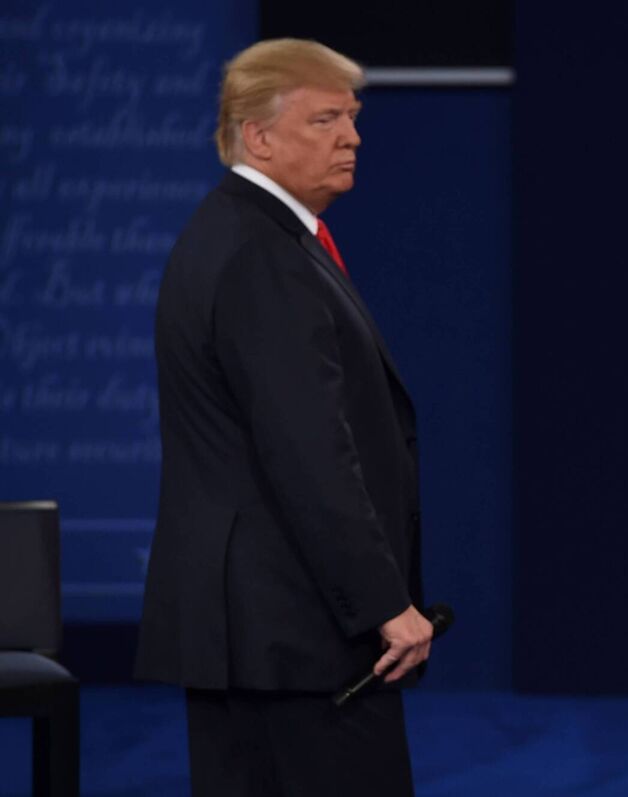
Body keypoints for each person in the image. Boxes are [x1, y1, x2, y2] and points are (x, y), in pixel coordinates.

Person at [136, 39, 431, 797]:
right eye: (325, 119)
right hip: (296, 637)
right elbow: (310, 453)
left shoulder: (243, 234)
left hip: (262, 635)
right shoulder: (259, 255)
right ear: (258, 137)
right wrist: (383, 604)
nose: (351, 136)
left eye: (353, 117)